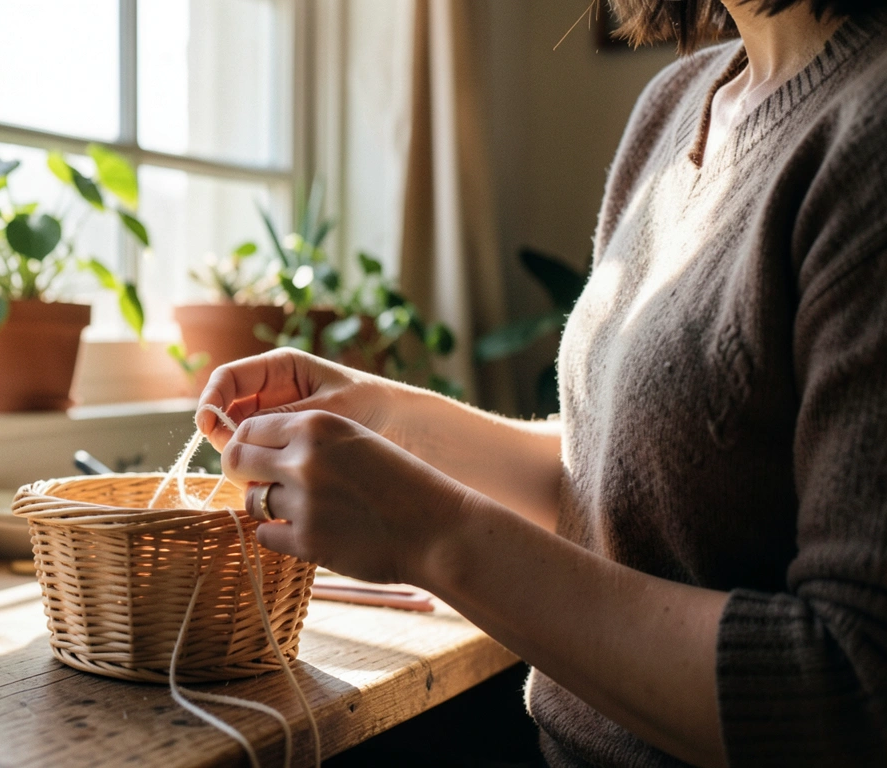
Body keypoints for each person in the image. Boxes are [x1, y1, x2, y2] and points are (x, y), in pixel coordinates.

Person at [196, 1, 887, 765]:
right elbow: (621, 484)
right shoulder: (679, 103)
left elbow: (851, 691)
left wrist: (428, 535)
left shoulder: (869, 128)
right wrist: (393, 419)